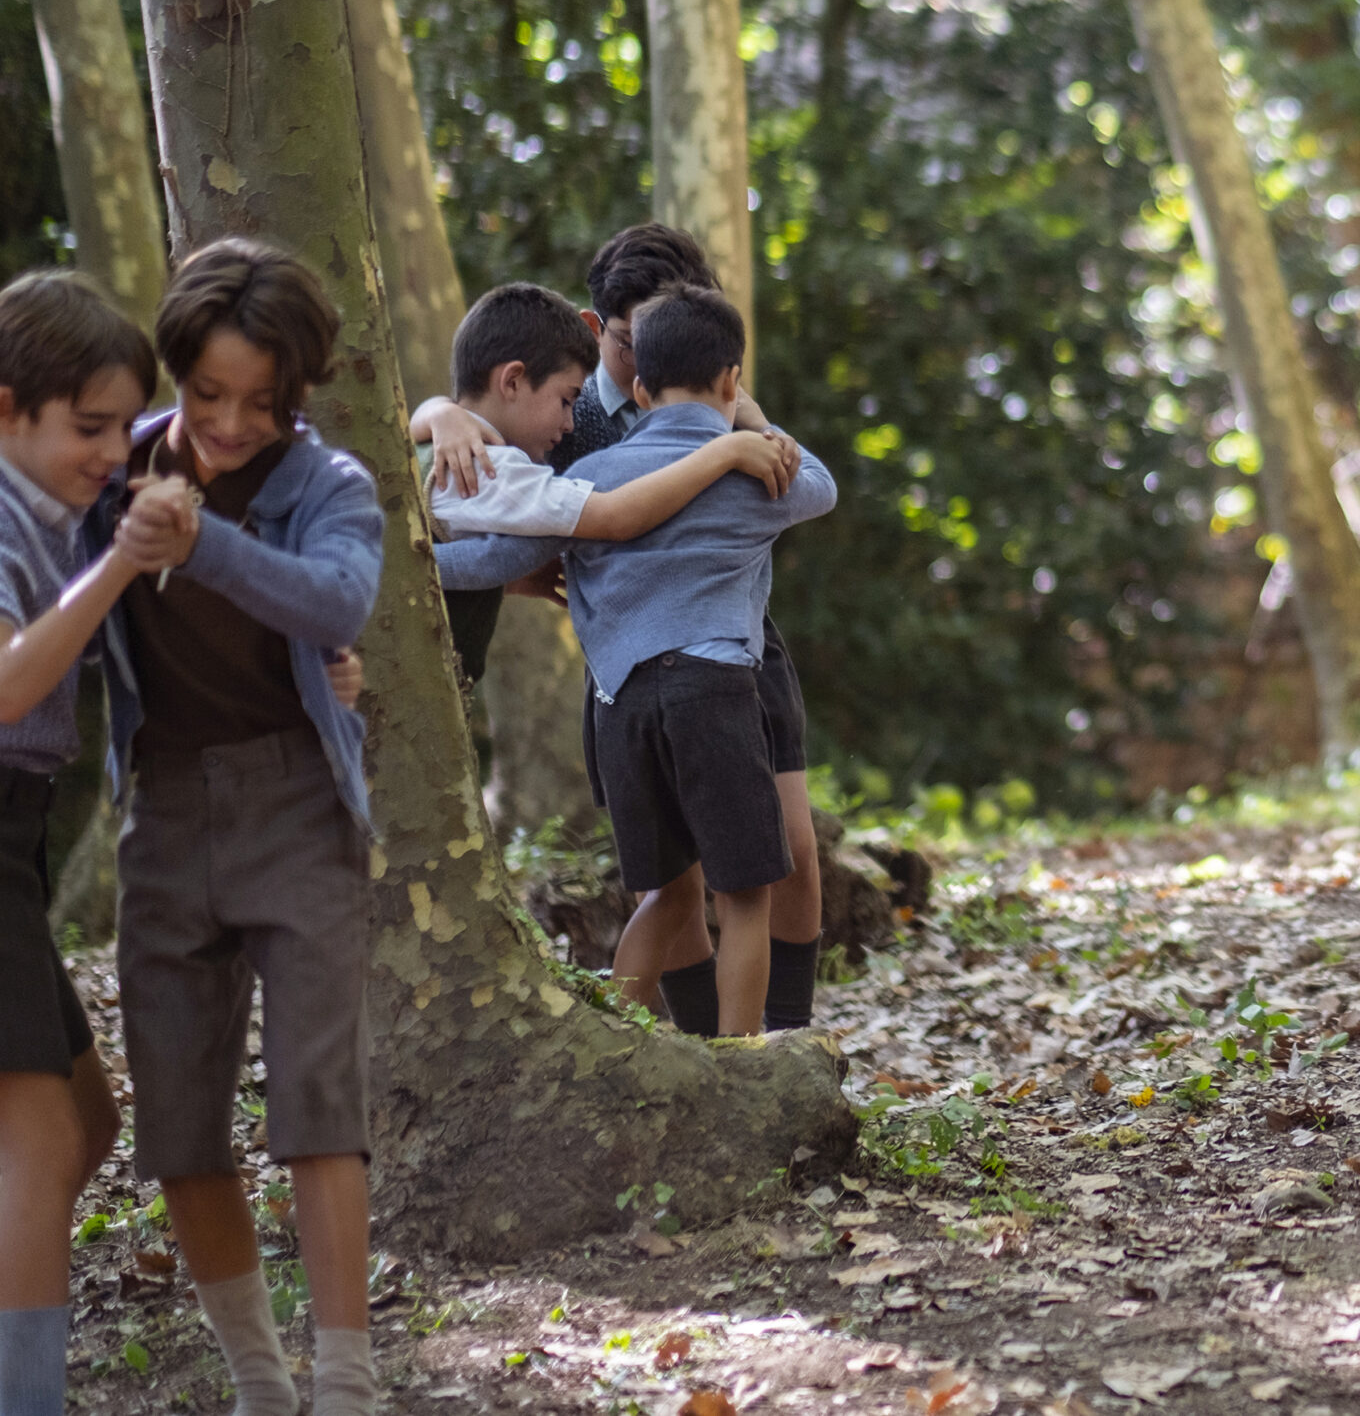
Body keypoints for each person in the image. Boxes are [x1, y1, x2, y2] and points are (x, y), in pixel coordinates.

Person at [419, 225, 828, 1033]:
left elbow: (510, 543)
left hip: (694, 661)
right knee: (711, 888)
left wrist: (414, 562)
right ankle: (721, 1051)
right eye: (626, 342)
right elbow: (810, 484)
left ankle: (755, 1037)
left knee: (776, 856)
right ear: (593, 325)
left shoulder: (600, 446)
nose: (638, 365)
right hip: (657, 668)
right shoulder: (566, 419)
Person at [107, 241, 386, 1416]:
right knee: (177, 1117)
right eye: (205, 394)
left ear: (298, 395)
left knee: (318, 1103)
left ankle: (347, 1381)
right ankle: (260, 1383)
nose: (225, 424)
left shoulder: (330, 484)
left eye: (257, 404)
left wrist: (203, 542)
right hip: (163, 807)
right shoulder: (104, 465)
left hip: (297, 804)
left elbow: (336, 599)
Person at [0, 273, 160, 1416]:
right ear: (8, 412)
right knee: (46, 1136)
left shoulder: (50, 505)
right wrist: (117, 571)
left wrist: (437, 414)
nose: (111, 452)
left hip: (19, 840)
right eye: (86, 429)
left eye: (120, 425)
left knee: (86, 1120)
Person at [419, 282, 794, 685]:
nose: (570, 424)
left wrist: (506, 583)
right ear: (512, 381)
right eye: (567, 400)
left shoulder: (433, 446)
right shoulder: (489, 469)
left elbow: (446, 564)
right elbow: (616, 516)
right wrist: (727, 452)